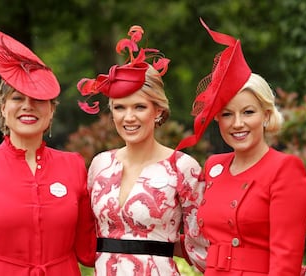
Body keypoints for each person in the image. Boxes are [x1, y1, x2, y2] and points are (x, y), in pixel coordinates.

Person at [0, 28, 96, 275]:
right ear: (2, 108)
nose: (28, 107)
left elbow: (90, 249)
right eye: (17, 98)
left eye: (38, 100)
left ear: (52, 110)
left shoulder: (73, 166)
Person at [176, 19, 306, 275]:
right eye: (227, 114)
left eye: (248, 112)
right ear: (217, 118)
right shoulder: (213, 166)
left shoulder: (285, 168)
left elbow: (286, 258)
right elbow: (203, 241)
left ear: (265, 114)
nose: (237, 123)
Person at [76, 25, 208, 275]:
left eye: (139, 107)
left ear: (157, 111)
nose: (128, 117)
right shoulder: (100, 165)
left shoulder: (182, 167)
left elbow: (202, 245)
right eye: (119, 108)